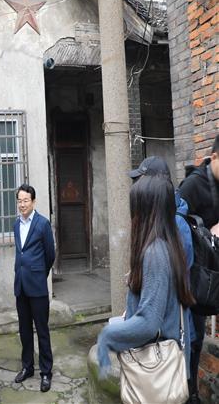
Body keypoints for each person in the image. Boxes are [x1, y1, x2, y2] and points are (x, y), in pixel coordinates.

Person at [97, 175, 195, 382]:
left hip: (157, 372)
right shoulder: (169, 243)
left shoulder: (154, 253)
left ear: (145, 211)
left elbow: (149, 323)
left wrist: (108, 335)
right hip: (169, 366)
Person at [179, 135, 219, 404]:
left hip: (212, 273)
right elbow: (177, 226)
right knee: (192, 339)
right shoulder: (193, 185)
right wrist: (208, 232)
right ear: (213, 157)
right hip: (192, 276)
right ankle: (188, 391)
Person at [13, 184, 55, 393]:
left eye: (26, 200)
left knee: (42, 330)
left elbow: (50, 255)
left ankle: (46, 372)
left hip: (37, 287)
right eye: (19, 201)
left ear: (33, 202)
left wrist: (39, 274)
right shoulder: (16, 224)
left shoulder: (42, 224)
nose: (22, 204)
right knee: (24, 330)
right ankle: (27, 367)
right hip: (21, 285)